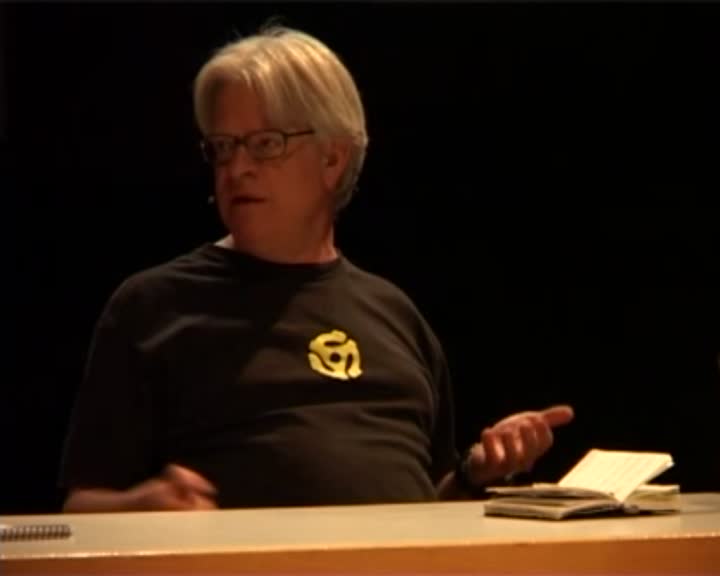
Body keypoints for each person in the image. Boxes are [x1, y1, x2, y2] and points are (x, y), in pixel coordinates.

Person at [60, 26, 574, 512]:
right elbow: (79, 513)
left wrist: (472, 474)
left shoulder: (395, 314)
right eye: (223, 148)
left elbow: (424, 510)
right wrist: (142, 509)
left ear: (333, 159)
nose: (237, 168)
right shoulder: (154, 306)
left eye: (265, 144)